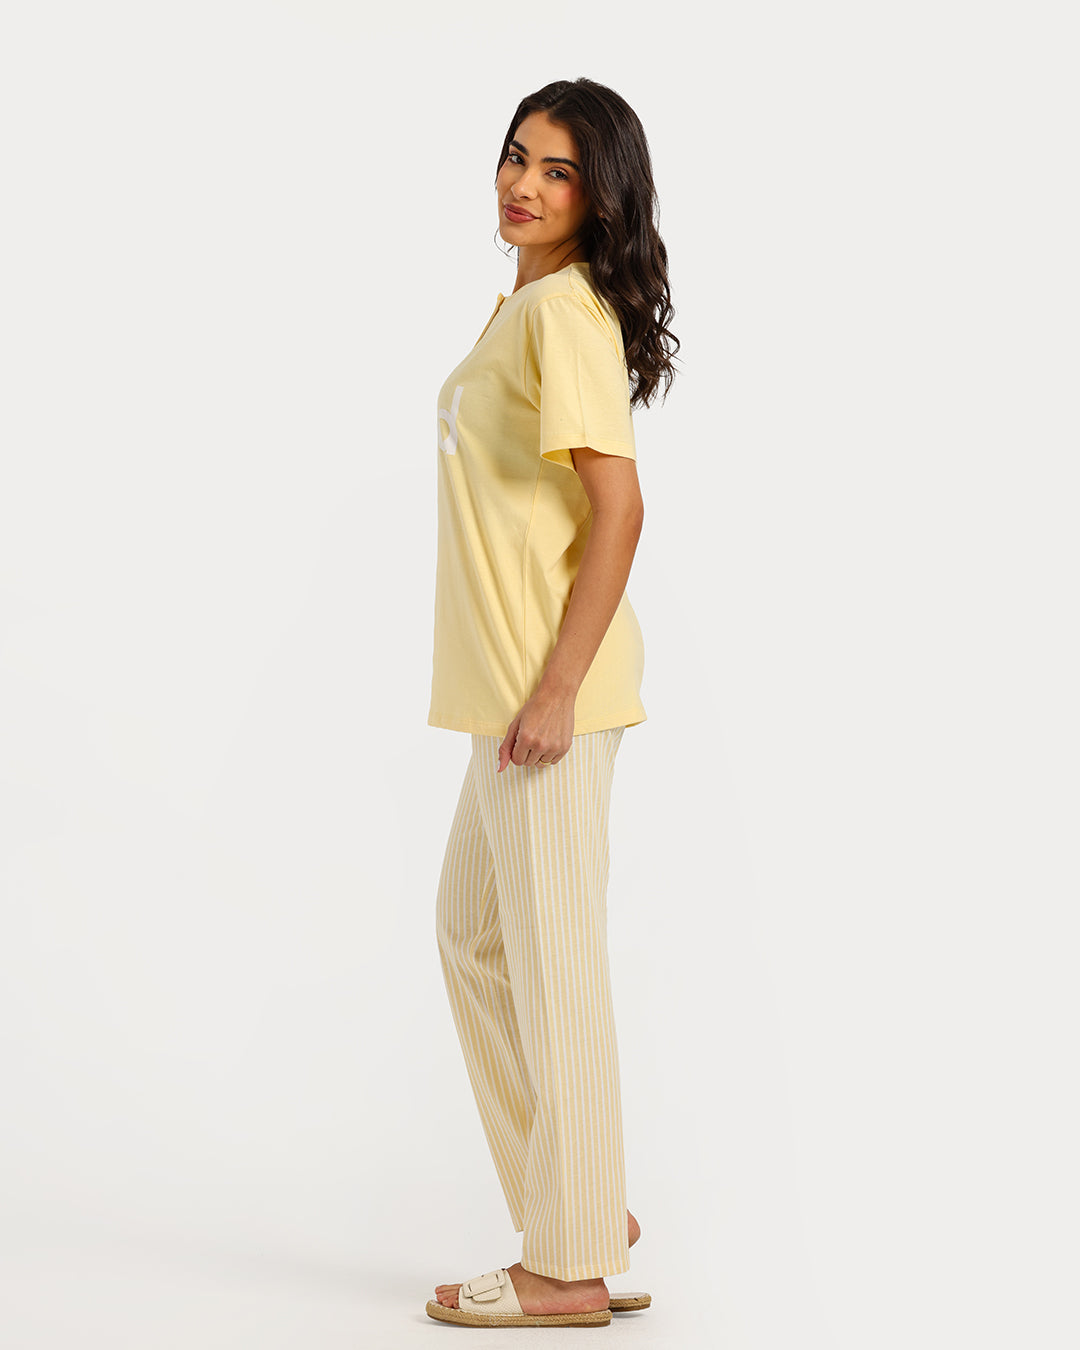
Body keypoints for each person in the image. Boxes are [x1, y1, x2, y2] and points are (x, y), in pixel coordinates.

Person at [424, 77, 679, 1329]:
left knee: (552, 964)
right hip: (513, 696)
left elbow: (620, 509)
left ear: (601, 197)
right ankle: (575, 1196)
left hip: (550, 698)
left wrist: (560, 688)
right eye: (517, 156)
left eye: (559, 170)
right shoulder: (525, 304)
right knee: (473, 937)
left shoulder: (565, 315)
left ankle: (567, 1267)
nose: (523, 184)